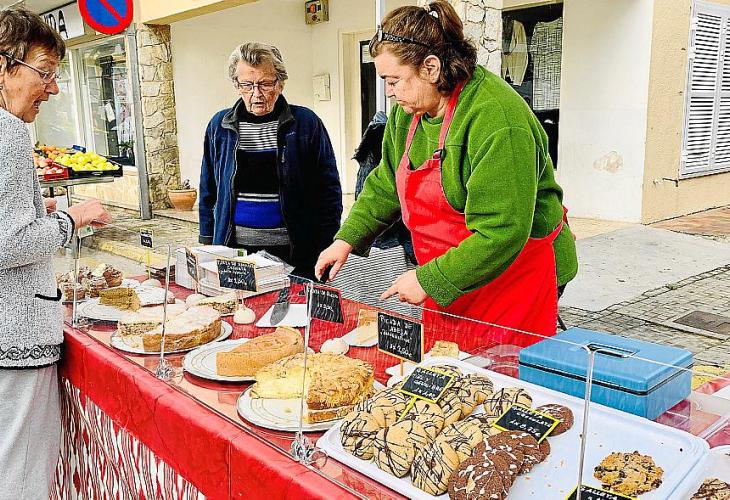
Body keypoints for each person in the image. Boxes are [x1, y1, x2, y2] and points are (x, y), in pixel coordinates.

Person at [316, 1, 578, 345]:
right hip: (454, 270)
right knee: (448, 364)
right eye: (385, 81)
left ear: (431, 67)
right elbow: (386, 182)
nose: (389, 93)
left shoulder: (497, 118)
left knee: (501, 377)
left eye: (394, 80)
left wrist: (429, 279)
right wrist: (346, 237)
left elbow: (502, 232)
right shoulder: (407, 113)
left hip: (514, 272)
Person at [0, 7, 111, 499]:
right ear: (5, 66)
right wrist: (72, 219)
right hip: (16, 339)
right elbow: (7, 244)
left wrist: (34, 206)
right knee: (22, 474)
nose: (54, 87)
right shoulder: (7, 133)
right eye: (44, 72)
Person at [199, 42, 342, 279]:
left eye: (265, 83)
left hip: (296, 253)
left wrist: (326, 244)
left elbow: (329, 191)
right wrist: (206, 242)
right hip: (234, 253)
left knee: (291, 314)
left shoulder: (305, 123)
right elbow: (208, 191)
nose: (256, 94)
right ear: (237, 85)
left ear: (280, 82)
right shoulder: (219, 126)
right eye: (247, 85)